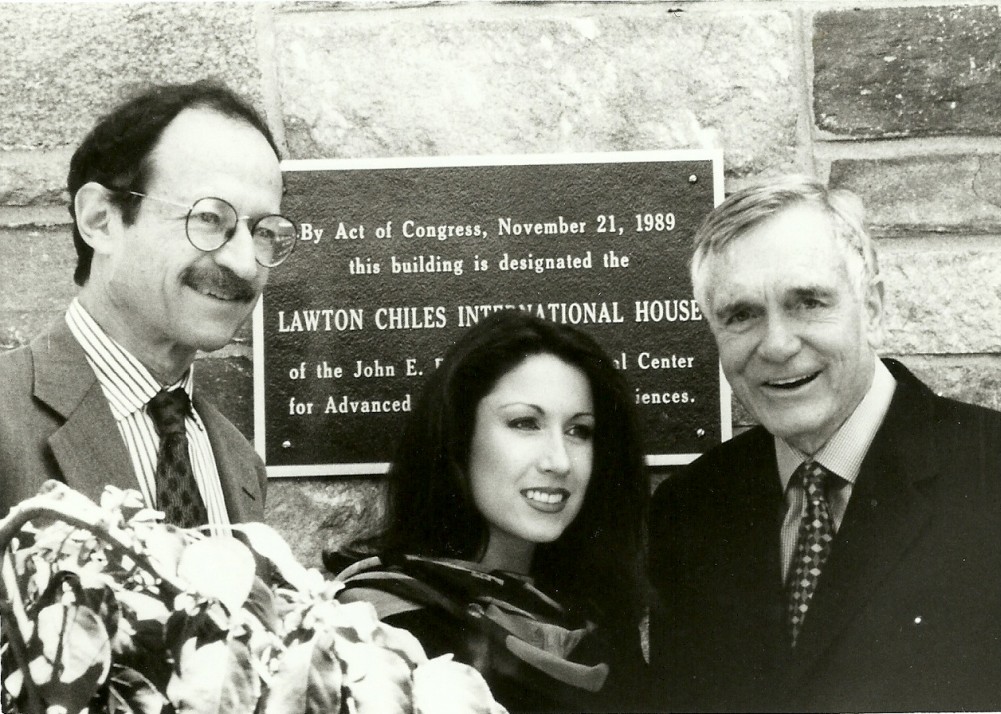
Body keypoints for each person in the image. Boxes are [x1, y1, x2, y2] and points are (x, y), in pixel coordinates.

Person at [647, 175, 1001, 712]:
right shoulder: (689, 510)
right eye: (742, 314)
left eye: (807, 302)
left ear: (871, 307)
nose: (776, 345)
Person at [0, 80, 297, 528]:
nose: (244, 263)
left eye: (263, 231)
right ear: (101, 220)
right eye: (209, 218)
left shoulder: (240, 465)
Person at [327, 311, 649, 713]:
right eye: (525, 423)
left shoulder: (601, 629)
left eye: (578, 430)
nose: (560, 461)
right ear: (458, 439)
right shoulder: (382, 626)